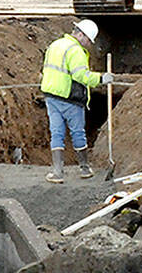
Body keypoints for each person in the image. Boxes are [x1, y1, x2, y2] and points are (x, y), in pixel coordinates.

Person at [40, 19, 113, 182]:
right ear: (81, 35)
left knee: (57, 132)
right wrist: (101, 79)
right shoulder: (76, 51)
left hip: (51, 95)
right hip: (70, 98)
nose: (88, 44)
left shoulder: (55, 44)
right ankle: (85, 168)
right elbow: (81, 76)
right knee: (78, 132)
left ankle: (57, 172)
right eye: (88, 40)